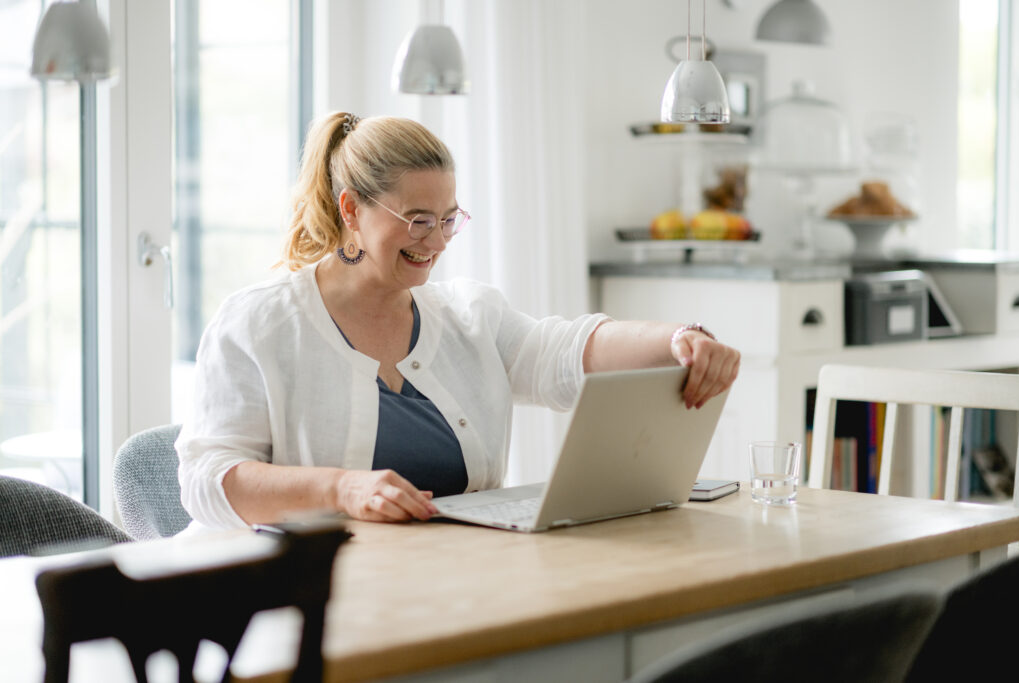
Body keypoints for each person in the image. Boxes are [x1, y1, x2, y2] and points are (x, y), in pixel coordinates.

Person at [176, 112, 740, 529]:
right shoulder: (259, 323)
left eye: (449, 220)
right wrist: (342, 489)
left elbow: (565, 350)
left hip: (451, 577)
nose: (438, 242)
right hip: (304, 595)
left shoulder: (469, 315)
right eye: (418, 220)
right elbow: (205, 480)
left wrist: (678, 341)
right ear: (351, 209)